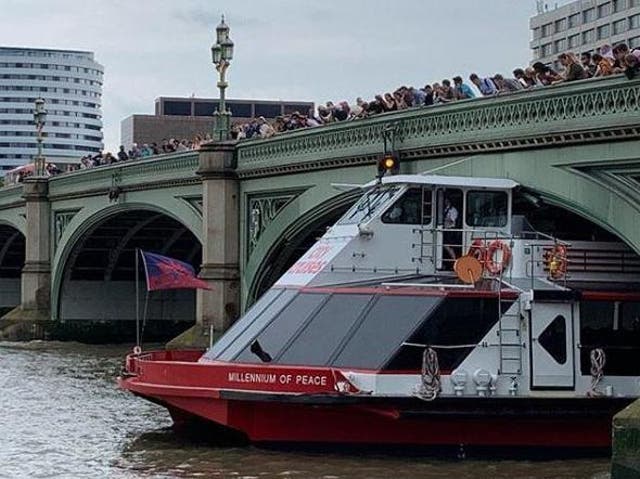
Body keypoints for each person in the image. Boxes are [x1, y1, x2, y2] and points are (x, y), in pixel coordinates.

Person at [443, 197, 459, 266]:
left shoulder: (453, 210)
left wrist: (445, 219)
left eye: (446, 200)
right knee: (445, 246)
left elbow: (452, 220)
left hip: (451, 229)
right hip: (445, 229)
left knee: (448, 246)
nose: (445, 201)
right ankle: (448, 262)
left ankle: (455, 261)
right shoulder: (445, 209)